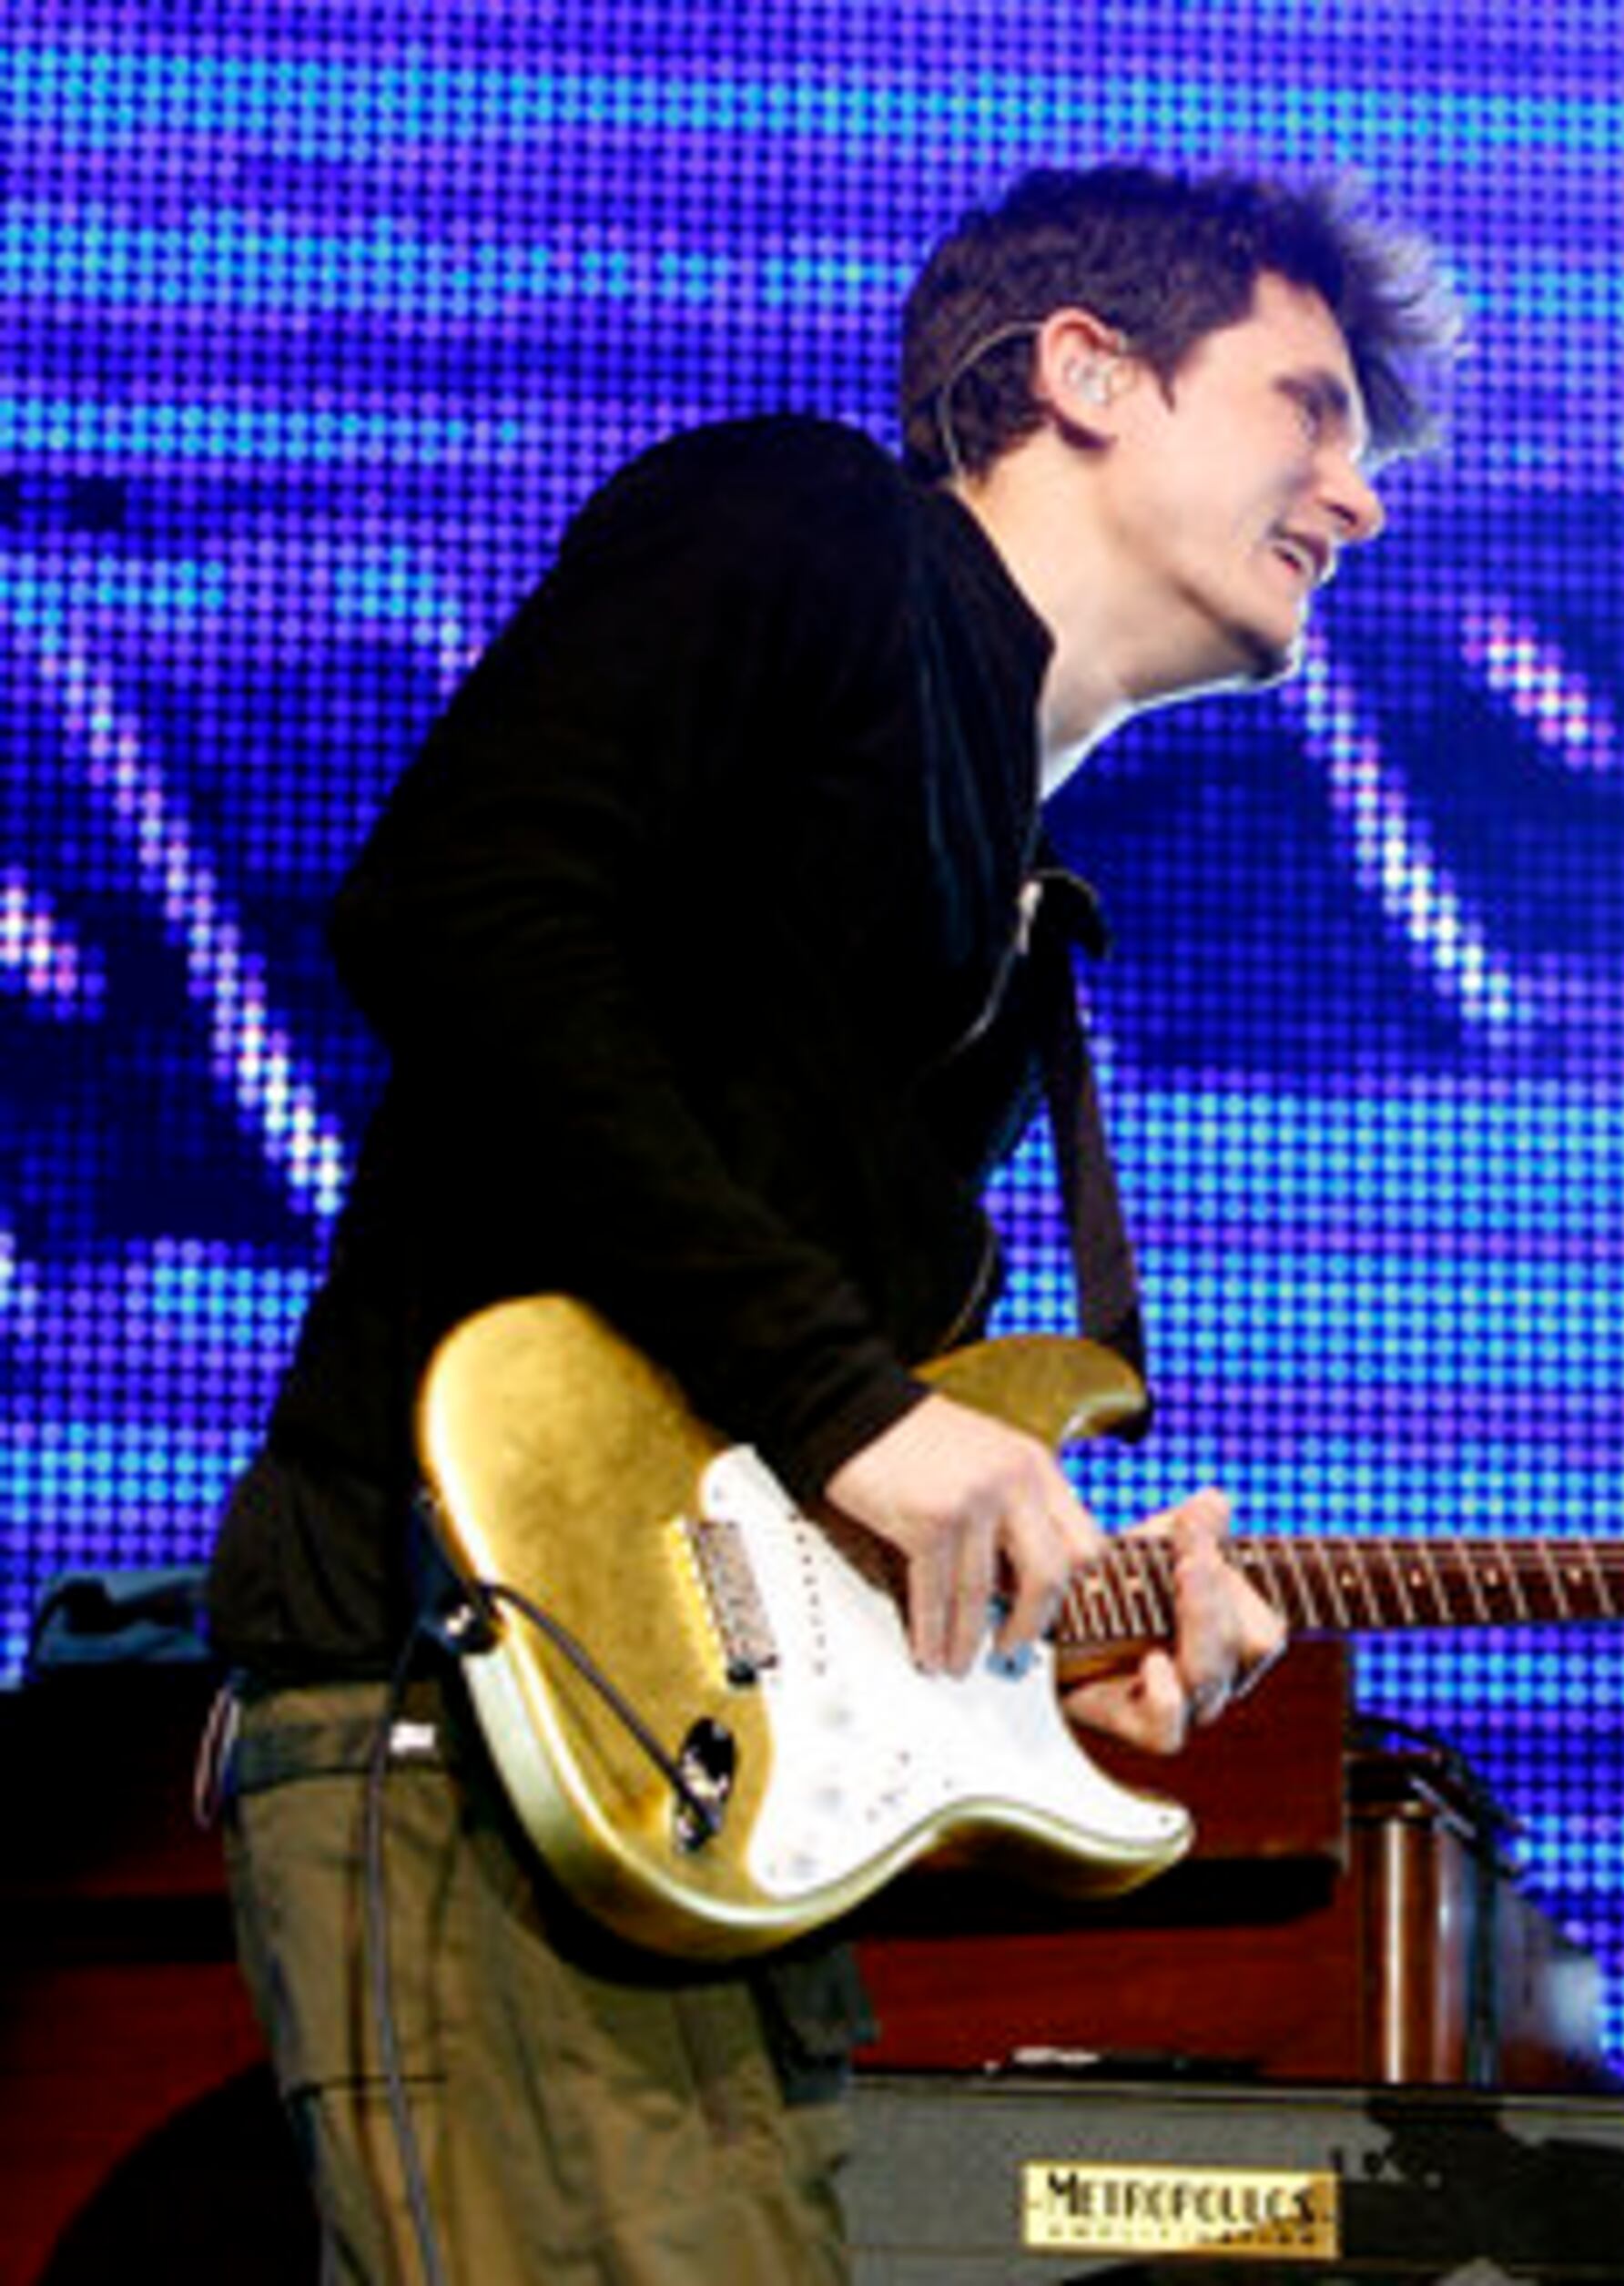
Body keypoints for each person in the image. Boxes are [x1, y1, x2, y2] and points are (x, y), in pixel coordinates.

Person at [198, 164, 1460, 2280]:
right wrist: (858, 1408)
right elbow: (461, 902)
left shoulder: (1019, 900)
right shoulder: (802, 526)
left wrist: (1037, 1641)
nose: (1360, 498)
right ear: (1082, 373)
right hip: (473, 1701)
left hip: (678, 1797)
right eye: (1306, 407)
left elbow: (752, 1441)